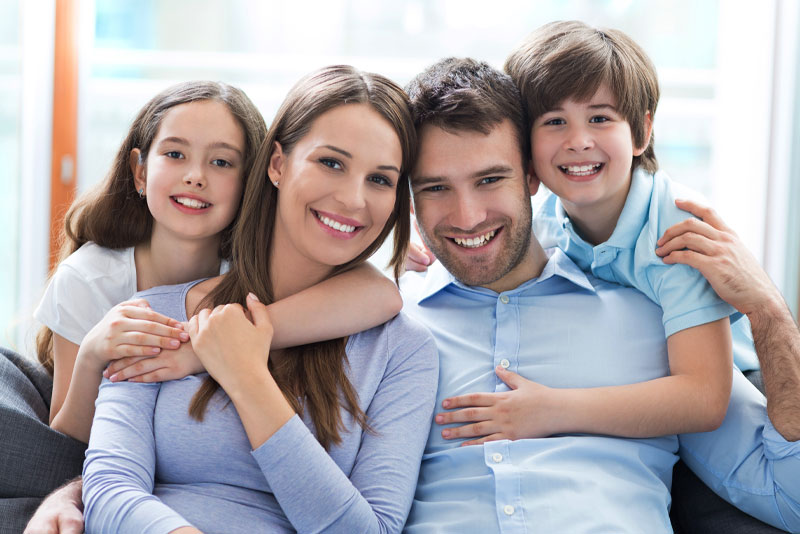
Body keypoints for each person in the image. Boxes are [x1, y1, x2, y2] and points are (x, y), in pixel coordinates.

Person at [400, 57, 800, 532]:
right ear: (408, 196)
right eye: (436, 188)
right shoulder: (385, 325)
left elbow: (790, 495)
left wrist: (769, 312)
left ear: (532, 176)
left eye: (490, 179)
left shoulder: (653, 322)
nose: (467, 217)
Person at [80, 65, 438, 534]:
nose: (353, 199)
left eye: (380, 180)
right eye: (331, 162)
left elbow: (371, 530)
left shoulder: (404, 351)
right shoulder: (158, 314)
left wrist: (247, 377)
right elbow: (107, 490)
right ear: (277, 164)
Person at [33, 80, 404, 444]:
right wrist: (92, 357)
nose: (196, 177)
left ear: (250, 180)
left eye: (221, 162)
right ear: (140, 171)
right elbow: (61, 444)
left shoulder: (251, 265)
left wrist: (209, 346)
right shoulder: (89, 279)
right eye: (175, 154)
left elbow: (379, 295)